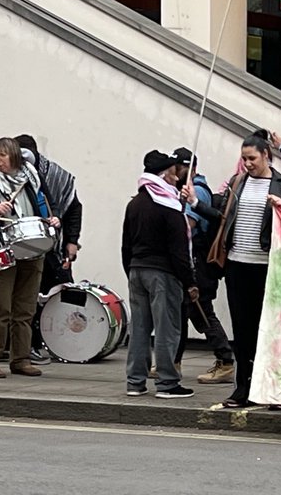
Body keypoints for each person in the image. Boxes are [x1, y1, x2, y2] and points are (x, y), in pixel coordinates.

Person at [196, 131, 281, 408]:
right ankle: (244, 389)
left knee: (271, 330)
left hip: (268, 267)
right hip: (237, 265)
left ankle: (276, 391)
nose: (247, 163)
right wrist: (196, 204)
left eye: (252, 158)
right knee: (242, 332)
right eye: (244, 158)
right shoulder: (237, 182)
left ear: (266, 155)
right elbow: (223, 217)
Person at [0, 137, 61, 378]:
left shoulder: (32, 178)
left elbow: (49, 204)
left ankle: (21, 358)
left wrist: (54, 219)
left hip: (33, 249)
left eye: (1, 155)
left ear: (15, 157)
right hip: (4, 249)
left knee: (25, 308)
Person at [121, 150, 196, 399]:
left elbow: (126, 245)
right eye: (174, 173)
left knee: (140, 328)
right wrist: (189, 282)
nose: (177, 178)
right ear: (164, 175)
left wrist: (131, 270)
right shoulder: (169, 206)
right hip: (164, 274)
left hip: (137, 271)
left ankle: (135, 381)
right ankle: (167, 382)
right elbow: (179, 251)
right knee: (167, 328)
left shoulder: (135, 204)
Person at [14, 134, 82, 366]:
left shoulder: (55, 176)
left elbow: (73, 208)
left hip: (53, 245)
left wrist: (72, 240)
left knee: (62, 289)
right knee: (27, 297)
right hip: (23, 245)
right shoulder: (9, 177)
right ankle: (28, 345)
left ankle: (66, 339)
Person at [172, 148, 235, 386]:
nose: (173, 173)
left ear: (186, 168)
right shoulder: (193, 189)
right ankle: (173, 362)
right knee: (183, 312)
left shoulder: (196, 191)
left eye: (176, 168)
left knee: (200, 310)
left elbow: (187, 226)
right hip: (193, 261)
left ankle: (225, 360)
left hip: (198, 262)